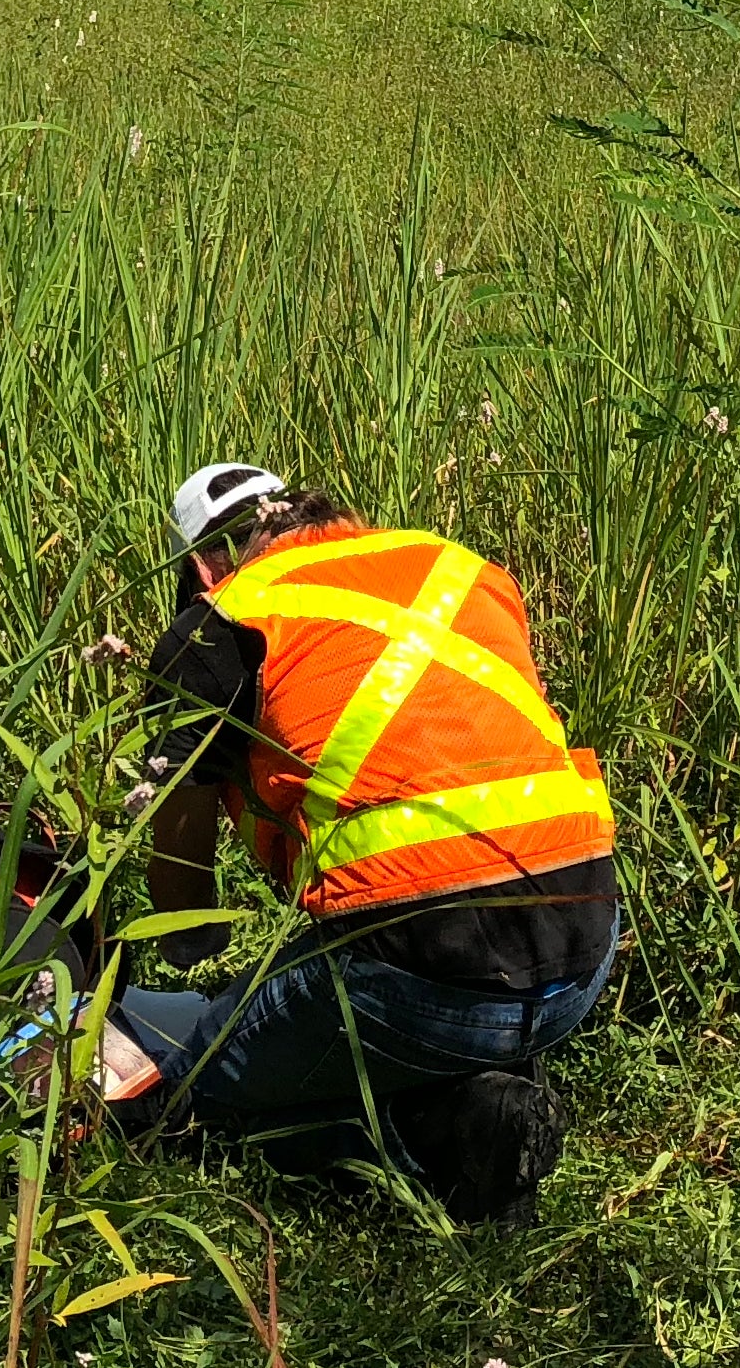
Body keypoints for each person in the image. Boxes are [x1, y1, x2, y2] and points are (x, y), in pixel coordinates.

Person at [110, 462, 618, 1224]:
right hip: (583, 955)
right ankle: (481, 1102)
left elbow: (181, 900)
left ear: (199, 567)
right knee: (352, 1022)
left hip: (418, 978)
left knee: (194, 1088)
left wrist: (201, 953)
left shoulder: (224, 621)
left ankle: (432, 1144)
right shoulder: (460, 567)